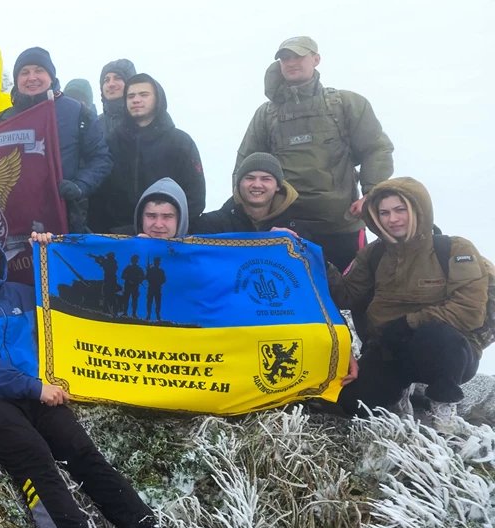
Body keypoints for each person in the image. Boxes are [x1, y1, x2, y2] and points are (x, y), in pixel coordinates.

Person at [0, 227, 224, 528]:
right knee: (34, 454)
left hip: (34, 393)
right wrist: (34, 387)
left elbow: (82, 303)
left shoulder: (23, 294)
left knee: (83, 453)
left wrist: (51, 252)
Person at [328, 177, 489, 426]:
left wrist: (408, 323)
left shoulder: (455, 249)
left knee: (436, 336)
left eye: (400, 210)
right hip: (390, 347)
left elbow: (469, 311)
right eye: (384, 213)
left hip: (449, 351)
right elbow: (345, 296)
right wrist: (318, 262)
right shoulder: (373, 253)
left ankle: (443, 409)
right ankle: (402, 398)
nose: (392, 219)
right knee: (353, 402)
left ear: (419, 209)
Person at [237, 36, 395, 270]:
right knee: (287, 291)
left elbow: (377, 148)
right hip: (284, 229)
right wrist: (251, 218)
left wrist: (371, 194)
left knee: (350, 291)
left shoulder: (346, 104)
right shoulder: (266, 114)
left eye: (298, 56)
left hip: (342, 228)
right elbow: (245, 166)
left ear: (316, 59)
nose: (291, 62)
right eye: (285, 58)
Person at [0, 47, 112, 231]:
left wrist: (80, 185)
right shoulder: (2, 120)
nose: (32, 77)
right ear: (17, 79)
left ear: (51, 76)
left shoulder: (77, 112)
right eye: (25, 72)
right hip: (14, 221)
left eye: (39, 70)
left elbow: (101, 158)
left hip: (65, 217)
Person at [91, 73, 205, 232]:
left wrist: (167, 229)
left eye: (143, 95)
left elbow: (195, 197)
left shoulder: (180, 142)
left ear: (158, 99)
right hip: (118, 236)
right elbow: (98, 194)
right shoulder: (112, 142)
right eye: (130, 96)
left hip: (165, 235)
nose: (136, 100)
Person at [193, 152, 300, 234]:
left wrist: (289, 241)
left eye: (266, 179)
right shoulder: (210, 226)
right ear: (239, 184)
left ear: (278, 186)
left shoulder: (296, 226)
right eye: (250, 178)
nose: (257, 185)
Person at [97, 59, 137, 132]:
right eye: (106, 80)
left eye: (118, 78)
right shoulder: (95, 125)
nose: (111, 84)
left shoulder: (145, 121)